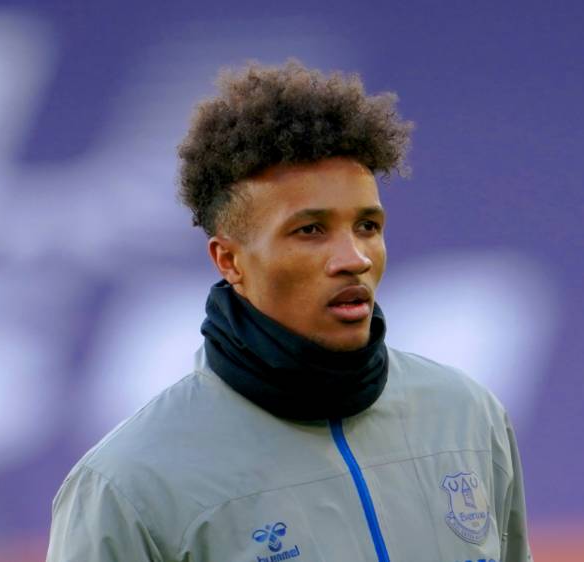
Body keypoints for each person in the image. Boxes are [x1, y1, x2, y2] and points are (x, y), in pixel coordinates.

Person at [46, 60, 532, 562]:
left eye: (367, 226)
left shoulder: (468, 416)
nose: (354, 258)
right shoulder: (128, 485)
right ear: (229, 260)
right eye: (310, 230)